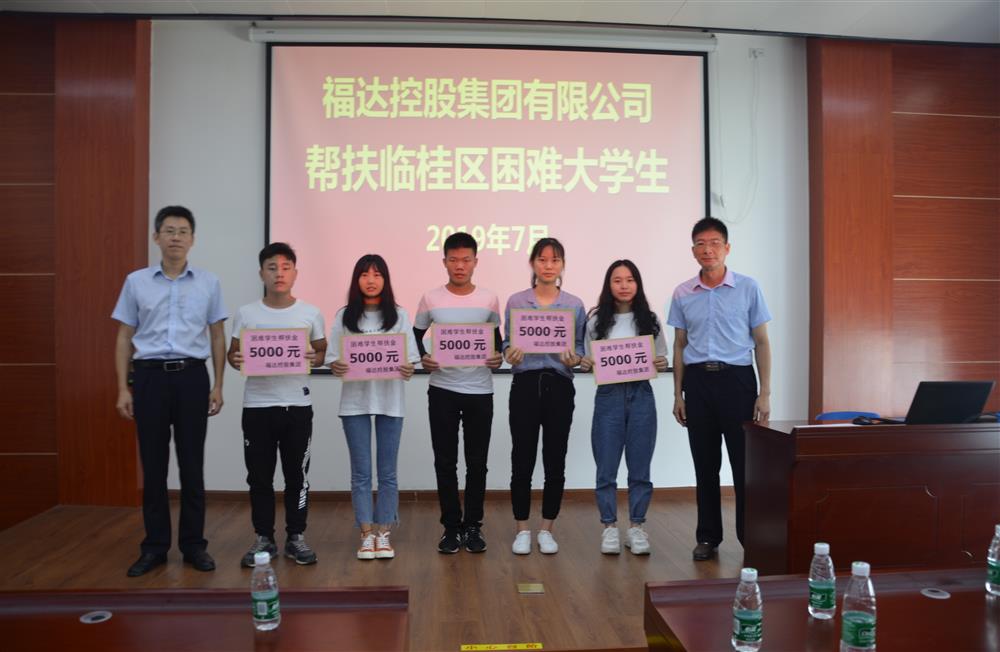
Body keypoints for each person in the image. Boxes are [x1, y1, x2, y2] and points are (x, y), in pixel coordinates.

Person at [113, 205, 227, 577]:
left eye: (182, 231)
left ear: (192, 239)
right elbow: (124, 336)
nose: (176, 237)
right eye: (169, 230)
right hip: (149, 379)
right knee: (154, 465)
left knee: (192, 465)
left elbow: (217, 335)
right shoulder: (136, 282)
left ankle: (194, 546)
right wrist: (123, 388)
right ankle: (154, 547)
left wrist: (218, 385)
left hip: (192, 378)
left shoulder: (208, 283)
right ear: (156, 237)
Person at [667, 217, 771, 561]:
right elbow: (679, 345)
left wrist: (765, 392)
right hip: (698, 383)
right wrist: (678, 394)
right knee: (705, 464)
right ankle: (708, 537)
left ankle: (750, 538)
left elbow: (762, 342)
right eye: (700, 243)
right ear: (693, 250)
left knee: (744, 466)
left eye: (714, 243)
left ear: (727, 248)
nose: (707, 249)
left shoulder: (748, 288)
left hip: (737, 382)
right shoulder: (683, 293)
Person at [227, 242, 327, 568]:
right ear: (261, 273)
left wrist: (315, 356)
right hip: (257, 406)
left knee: (297, 476)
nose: (279, 274)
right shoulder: (247, 313)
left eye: (286, 267)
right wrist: (235, 358)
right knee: (259, 477)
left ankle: (296, 536)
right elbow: (233, 353)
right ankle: (263, 538)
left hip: (297, 406)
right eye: (272, 267)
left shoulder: (310, 313)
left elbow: (322, 351)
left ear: (295, 273)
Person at [413, 232, 503, 554]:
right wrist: (423, 358)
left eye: (466, 260)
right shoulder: (431, 298)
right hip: (442, 390)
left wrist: (498, 357)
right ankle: (451, 527)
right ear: (445, 262)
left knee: (477, 464)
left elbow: (496, 341)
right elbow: (415, 335)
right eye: (454, 260)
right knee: (445, 462)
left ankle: (473, 526)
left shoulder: (489, 299)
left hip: (480, 390)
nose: (460, 266)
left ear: (476, 262)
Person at [328, 254, 419, 560]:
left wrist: (408, 369)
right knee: (361, 473)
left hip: (390, 401)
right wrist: (337, 366)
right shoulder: (344, 316)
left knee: (388, 473)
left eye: (377, 274)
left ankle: (384, 533)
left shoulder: (399, 315)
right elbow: (332, 359)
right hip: (354, 402)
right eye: (364, 274)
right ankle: (366, 534)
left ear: (385, 280)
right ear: (356, 280)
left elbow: (411, 361)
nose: (370, 280)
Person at [501, 238, 585, 555]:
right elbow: (507, 344)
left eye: (555, 260)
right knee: (521, 458)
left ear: (563, 265)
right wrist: (510, 353)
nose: (548, 266)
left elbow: (580, 348)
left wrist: (574, 358)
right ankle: (522, 527)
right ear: (532, 263)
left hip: (559, 385)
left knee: (555, 458)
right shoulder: (517, 301)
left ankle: (547, 528)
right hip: (525, 384)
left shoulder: (574, 304)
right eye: (542, 259)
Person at [580, 260, 668, 555]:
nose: (624, 285)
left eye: (630, 279)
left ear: (638, 284)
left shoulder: (650, 319)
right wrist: (586, 362)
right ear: (609, 285)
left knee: (640, 466)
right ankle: (609, 527)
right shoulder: (595, 321)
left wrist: (660, 362)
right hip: (609, 396)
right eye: (617, 280)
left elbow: (661, 357)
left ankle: (637, 527)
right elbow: (587, 358)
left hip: (642, 394)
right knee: (606, 467)